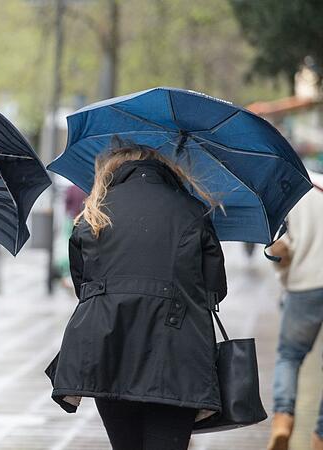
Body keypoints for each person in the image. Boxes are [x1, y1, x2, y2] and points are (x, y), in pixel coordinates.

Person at [45, 142, 227, 450]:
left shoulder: (93, 214)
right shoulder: (192, 211)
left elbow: (83, 286)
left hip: (108, 349)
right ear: (164, 169)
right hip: (175, 352)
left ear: (113, 170)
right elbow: (215, 289)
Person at [267, 170, 323, 450]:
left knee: (290, 356)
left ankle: (282, 421)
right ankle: (320, 437)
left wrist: (274, 255)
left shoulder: (289, 194)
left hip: (304, 286)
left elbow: (281, 249)